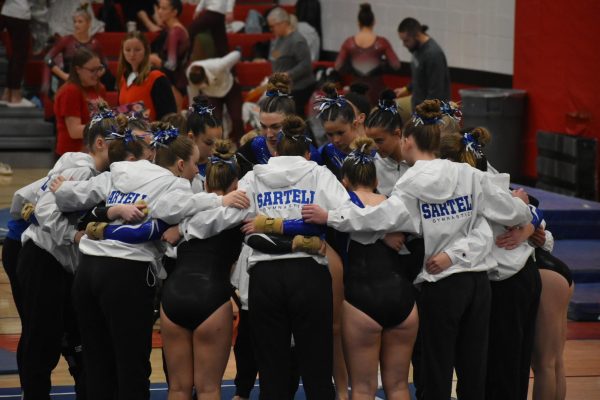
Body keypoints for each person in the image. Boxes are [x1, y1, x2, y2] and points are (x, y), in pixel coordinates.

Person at [302, 99, 533, 400]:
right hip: (478, 283)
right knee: (473, 368)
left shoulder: (410, 183)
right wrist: (523, 211)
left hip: (440, 282)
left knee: (436, 368)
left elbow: (376, 218)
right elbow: (512, 214)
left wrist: (330, 217)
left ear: (408, 140)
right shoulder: (470, 175)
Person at [51, 123, 248, 399]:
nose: (195, 171)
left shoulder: (122, 170)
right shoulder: (174, 185)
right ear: (180, 164)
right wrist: (220, 201)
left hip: (88, 271)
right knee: (131, 365)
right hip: (126, 275)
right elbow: (178, 208)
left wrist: (61, 190)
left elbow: (73, 197)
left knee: (96, 362)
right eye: (194, 164)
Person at [16, 107, 117, 399]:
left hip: (63, 263)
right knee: (42, 339)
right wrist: (73, 235)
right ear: (100, 143)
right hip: (43, 257)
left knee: (77, 337)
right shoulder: (80, 169)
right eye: (119, 143)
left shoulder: (99, 174)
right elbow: (44, 208)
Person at [439, 127, 542, 400]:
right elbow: (526, 206)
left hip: (508, 281)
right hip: (513, 275)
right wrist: (530, 219)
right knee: (505, 366)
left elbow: (525, 207)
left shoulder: (476, 182)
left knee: (503, 367)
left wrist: (529, 220)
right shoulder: (481, 177)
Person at [158, 140, 244, 400]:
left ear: (206, 184)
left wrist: (183, 228)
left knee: (177, 388)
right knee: (208, 389)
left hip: (173, 297)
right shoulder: (239, 211)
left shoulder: (187, 210)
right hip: (211, 297)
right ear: (236, 185)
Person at [338, 136, 418, 400]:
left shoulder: (341, 206)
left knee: (363, 388)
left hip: (362, 299)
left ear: (344, 181)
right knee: (398, 386)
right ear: (375, 181)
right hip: (402, 299)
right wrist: (383, 232)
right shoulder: (393, 204)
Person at [335, 3, 401, 104]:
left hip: (356, 91)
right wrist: (381, 66)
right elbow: (396, 65)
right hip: (377, 90)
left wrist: (352, 67)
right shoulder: (382, 42)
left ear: (358, 23)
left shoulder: (349, 43)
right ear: (374, 22)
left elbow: (338, 66)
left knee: (358, 117)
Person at [44, 3, 114, 97]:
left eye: (80, 22)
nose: (76, 25)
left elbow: (105, 64)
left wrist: (95, 76)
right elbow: (48, 59)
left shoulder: (94, 44)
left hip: (89, 84)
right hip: (69, 82)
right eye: (75, 22)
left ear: (89, 23)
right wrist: (64, 75)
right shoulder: (67, 40)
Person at [54, 47, 107, 156]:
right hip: (71, 156)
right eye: (92, 70)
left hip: (94, 153)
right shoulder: (70, 91)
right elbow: (74, 131)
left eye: (99, 69)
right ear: (78, 69)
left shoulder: (99, 88)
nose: (97, 74)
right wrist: (106, 126)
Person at [267, 7, 316, 117]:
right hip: (283, 87)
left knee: (294, 118)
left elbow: (306, 65)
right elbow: (275, 57)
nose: (271, 29)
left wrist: (288, 74)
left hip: (298, 88)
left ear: (283, 23)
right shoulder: (278, 40)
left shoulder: (297, 40)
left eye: (272, 26)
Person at [117, 31, 177, 121]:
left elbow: (169, 115)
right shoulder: (123, 78)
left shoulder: (156, 77)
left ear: (146, 50)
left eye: (137, 50)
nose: (132, 54)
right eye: (128, 50)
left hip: (151, 133)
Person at [186, 50, 244, 143]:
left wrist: (233, 64)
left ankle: (241, 142)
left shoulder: (218, 66)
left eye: (201, 84)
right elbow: (193, 95)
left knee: (236, 118)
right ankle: (219, 145)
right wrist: (191, 111)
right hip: (212, 95)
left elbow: (236, 54)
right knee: (215, 121)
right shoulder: (190, 74)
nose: (200, 87)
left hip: (230, 87)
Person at [394, 18, 450, 110]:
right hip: (419, 108)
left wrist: (423, 115)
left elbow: (436, 92)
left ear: (417, 36)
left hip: (431, 114)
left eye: (406, 40)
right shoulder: (417, 49)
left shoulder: (433, 55)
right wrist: (407, 88)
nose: (404, 44)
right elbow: (421, 76)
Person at [150, 0, 190, 111]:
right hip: (173, 79)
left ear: (174, 12)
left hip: (176, 82)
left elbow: (171, 65)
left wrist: (156, 60)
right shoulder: (171, 30)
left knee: (173, 119)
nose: (159, 11)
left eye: (164, 8)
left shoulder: (175, 32)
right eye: (159, 8)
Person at [0, 0, 34, 107]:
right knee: (20, 56)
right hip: (19, 13)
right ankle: (15, 96)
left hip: (7, 11)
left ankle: (7, 94)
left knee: (14, 55)